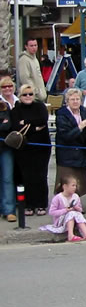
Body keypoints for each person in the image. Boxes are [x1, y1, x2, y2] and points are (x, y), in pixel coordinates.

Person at [10, 84, 51, 216]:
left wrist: (26, 122)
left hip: (41, 148)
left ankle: (41, 204)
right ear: (20, 96)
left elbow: (43, 120)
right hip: (24, 149)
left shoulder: (40, 106)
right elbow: (16, 127)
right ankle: (29, 204)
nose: (28, 96)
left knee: (41, 176)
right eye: (25, 94)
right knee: (27, 176)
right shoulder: (16, 109)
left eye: (30, 94)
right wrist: (35, 127)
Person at [54, 88, 86, 197]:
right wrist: (80, 127)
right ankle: (64, 204)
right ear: (67, 101)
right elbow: (65, 136)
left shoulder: (83, 111)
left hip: (81, 153)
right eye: (72, 99)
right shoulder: (62, 114)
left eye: (77, 99)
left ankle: (76, 203)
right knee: (67, 184)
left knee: (79, 184)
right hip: (67, 154)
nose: (75, 101)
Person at [44, 176, 86, 242]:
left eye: (75, 186)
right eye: (73, 185)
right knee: (71, 213)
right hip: (61, 221)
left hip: (75, 220)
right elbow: (52, 212)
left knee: (77, 214)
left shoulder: (75, 196)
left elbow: (80, 210)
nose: (75, 187)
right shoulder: (58, 198)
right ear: (65, 186)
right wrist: (65, 210)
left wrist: (77, 208)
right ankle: (70, 235)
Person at [0, 81, 15, 223]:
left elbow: (8, 125)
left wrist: (4, 124)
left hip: (5, 146)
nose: (7, 89)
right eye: (4, 87)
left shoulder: (4, 105)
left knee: (7, 178)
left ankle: (9, 210)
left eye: (9, 86)